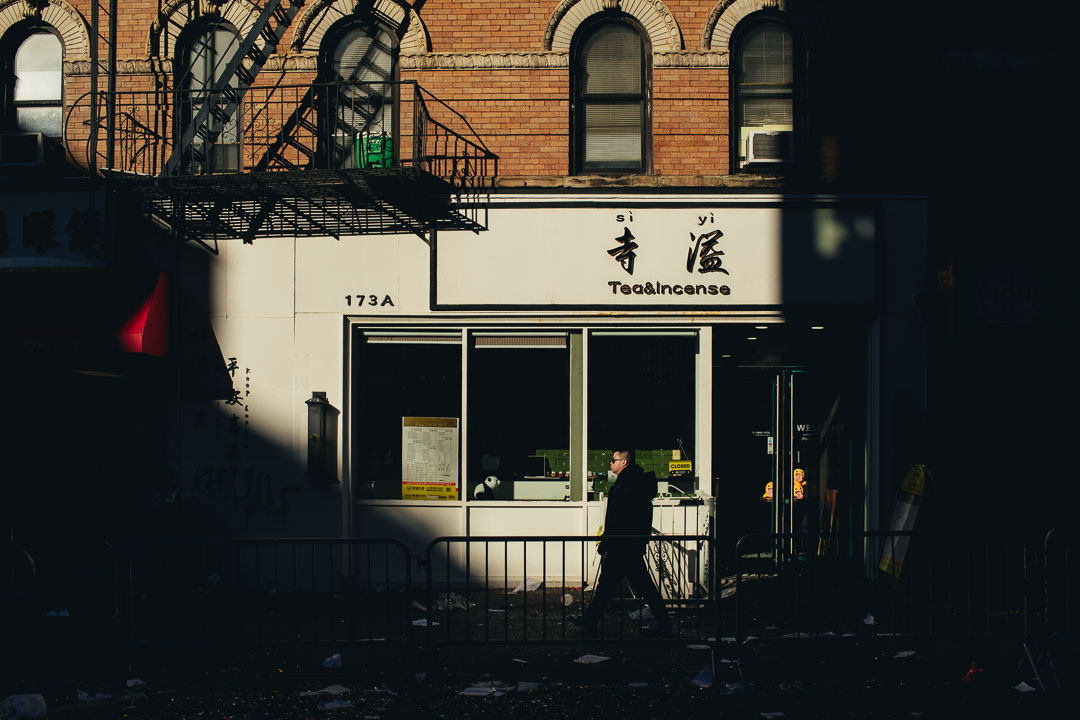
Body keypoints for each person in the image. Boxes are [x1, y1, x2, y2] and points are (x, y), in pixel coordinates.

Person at [569, 449, 671, 637]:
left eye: (613, 460)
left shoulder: (627, 485)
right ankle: (663, 621)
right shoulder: (634, 483)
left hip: (622, 544)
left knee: (611, 584)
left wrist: (607, 541)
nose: (610, 463)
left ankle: (591, 619)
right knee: (631, 584)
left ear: (623, 462)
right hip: (629, 543)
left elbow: (619, 517)